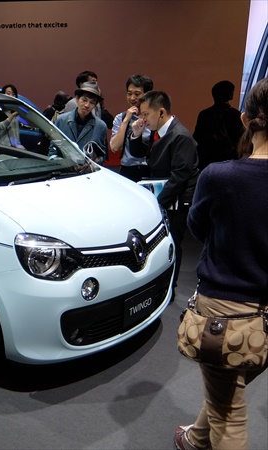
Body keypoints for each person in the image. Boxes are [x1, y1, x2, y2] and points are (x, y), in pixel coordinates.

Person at [174, 77, 268, 450]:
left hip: (226, 314)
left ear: (246, 119)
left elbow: (198, 229)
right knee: (227, 389)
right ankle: (196, 439)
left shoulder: (219, 176)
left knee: (229, 414)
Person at [129, 91, 199, 301]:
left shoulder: (180, 136)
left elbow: (180, 176)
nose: (143, 119)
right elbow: (141, 155)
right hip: (164, 196)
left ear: (161, 112)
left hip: (176, 200)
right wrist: (136, 135)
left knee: (173, 243)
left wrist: (156, 203)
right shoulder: (158, 131)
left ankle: (170, 289)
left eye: (145, 114)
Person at [110, 75, 154, 182]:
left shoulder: (154, 117)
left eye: (137, 94)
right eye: (129, 93)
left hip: (150, 168)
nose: (132, 98)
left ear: (147, 94)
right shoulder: (121, 118)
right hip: (128, 169)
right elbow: (114, 147)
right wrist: (126, 120)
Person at [193, 80, 244, 171]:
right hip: (229, 162)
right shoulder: (234, 114)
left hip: (206, 162)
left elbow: (197, 138)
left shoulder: (204, 114)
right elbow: (240, 139)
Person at [52, 81, 107, 162]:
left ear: (95, 105)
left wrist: (94, 163)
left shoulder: (101, 126)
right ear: (77, 99)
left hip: (87, 168)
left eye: (92, 102)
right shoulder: (61, 120)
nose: (87, 105)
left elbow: (102, 155)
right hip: (63, 167)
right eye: (84, 100)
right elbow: (53, 149)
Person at [0, 84, 24, 148]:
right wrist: (12, 115)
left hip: (16, 146)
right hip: (5, 147)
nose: (11, 96)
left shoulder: (15, 112)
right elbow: (1, 126)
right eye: (8, 94)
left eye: (13, 94)